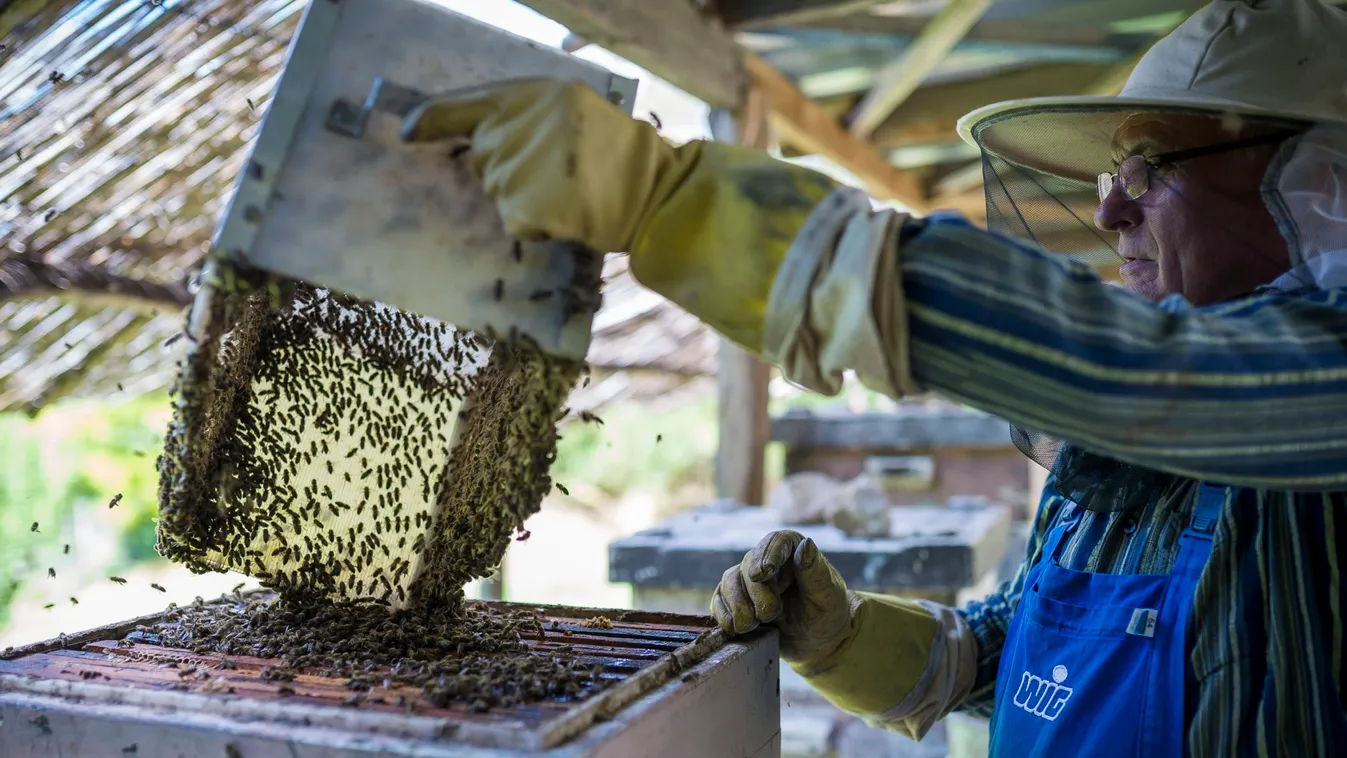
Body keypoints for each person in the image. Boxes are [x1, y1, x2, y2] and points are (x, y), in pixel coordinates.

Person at [402, 0, 1347, 754]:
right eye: (1114, 173)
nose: (1106, 208)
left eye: (1149, 169)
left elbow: (1140, 377)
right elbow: (1027, 645)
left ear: (1318, 186)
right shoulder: (1132, 444)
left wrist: (677, 206)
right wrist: (851, 640)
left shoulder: (1303, 393)